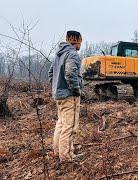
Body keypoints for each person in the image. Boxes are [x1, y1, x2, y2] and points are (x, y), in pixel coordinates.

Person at [48, 30, 84, 162]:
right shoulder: (72, 54)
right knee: (69, 126)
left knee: (61, 123)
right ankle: (67, 156)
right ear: (76, 41)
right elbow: (70, 73)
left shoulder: (59, 54)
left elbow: (51, 73)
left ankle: (58, 152)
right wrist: (76, 90)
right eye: (80, 41)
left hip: (59, 95)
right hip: (69, 96)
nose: (81, 45)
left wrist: (56, 87)